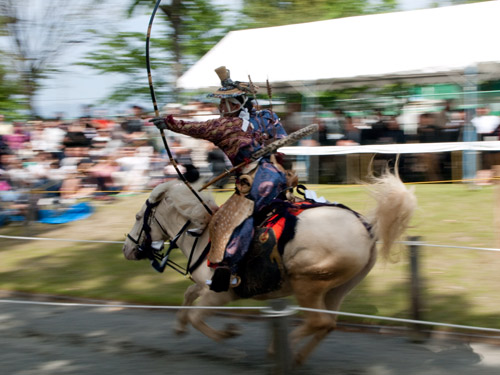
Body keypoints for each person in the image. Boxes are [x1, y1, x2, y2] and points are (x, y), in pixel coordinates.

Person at [151, 66, 289, 292]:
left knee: (227, 221)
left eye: (222, 103)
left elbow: (194, 127)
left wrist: (168, 123)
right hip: (280, 177)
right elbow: (282, 145)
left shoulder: (223, 125)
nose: (219, 107)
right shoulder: (268, 117)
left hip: (256, 181)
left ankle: (228, 270)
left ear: (233, 105)